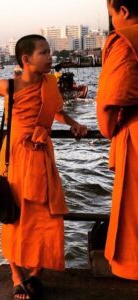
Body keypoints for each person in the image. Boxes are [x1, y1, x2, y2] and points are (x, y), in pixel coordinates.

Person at [0, 34, 87, 299]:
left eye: (49, 52)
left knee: (47, 217)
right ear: (27, 59)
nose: (50, 57)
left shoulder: (49, 83)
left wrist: (73, 123)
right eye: (44, 52)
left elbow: (53, 111)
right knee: (14, 217)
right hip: (15, 158)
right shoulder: (9, 86)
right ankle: (17, 276)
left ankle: (37, 274)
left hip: (42, 158)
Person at [96, 0, 138, 280]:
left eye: (111, 15)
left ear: (122, 11)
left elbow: (110, 101)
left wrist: (108, 128)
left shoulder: (125, 40)